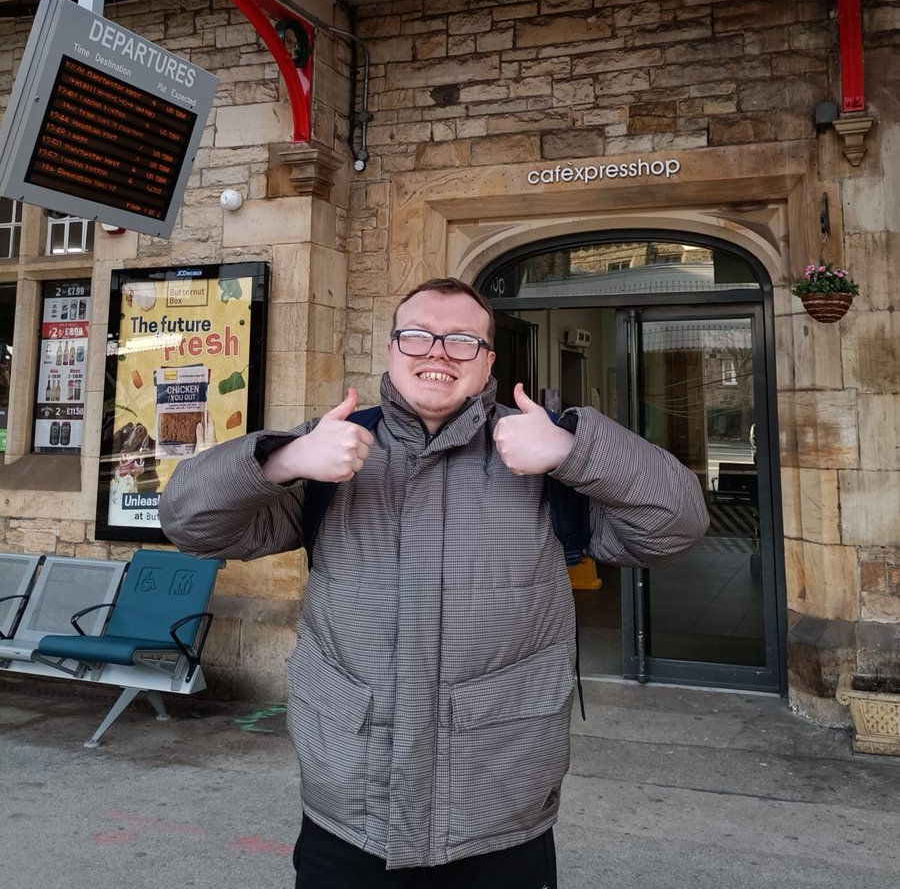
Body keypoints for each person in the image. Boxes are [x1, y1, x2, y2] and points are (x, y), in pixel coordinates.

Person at [160, 277, 708, 888]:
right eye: (418, 335)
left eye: (462, 341)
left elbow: (676, 526)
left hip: (499, 808)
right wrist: (283, 460)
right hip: (348, 808)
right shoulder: (331, 452)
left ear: (490, 360)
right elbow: (190, 525)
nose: (437, 352)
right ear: (393, 350)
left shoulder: (547, 457)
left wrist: (573, 449)